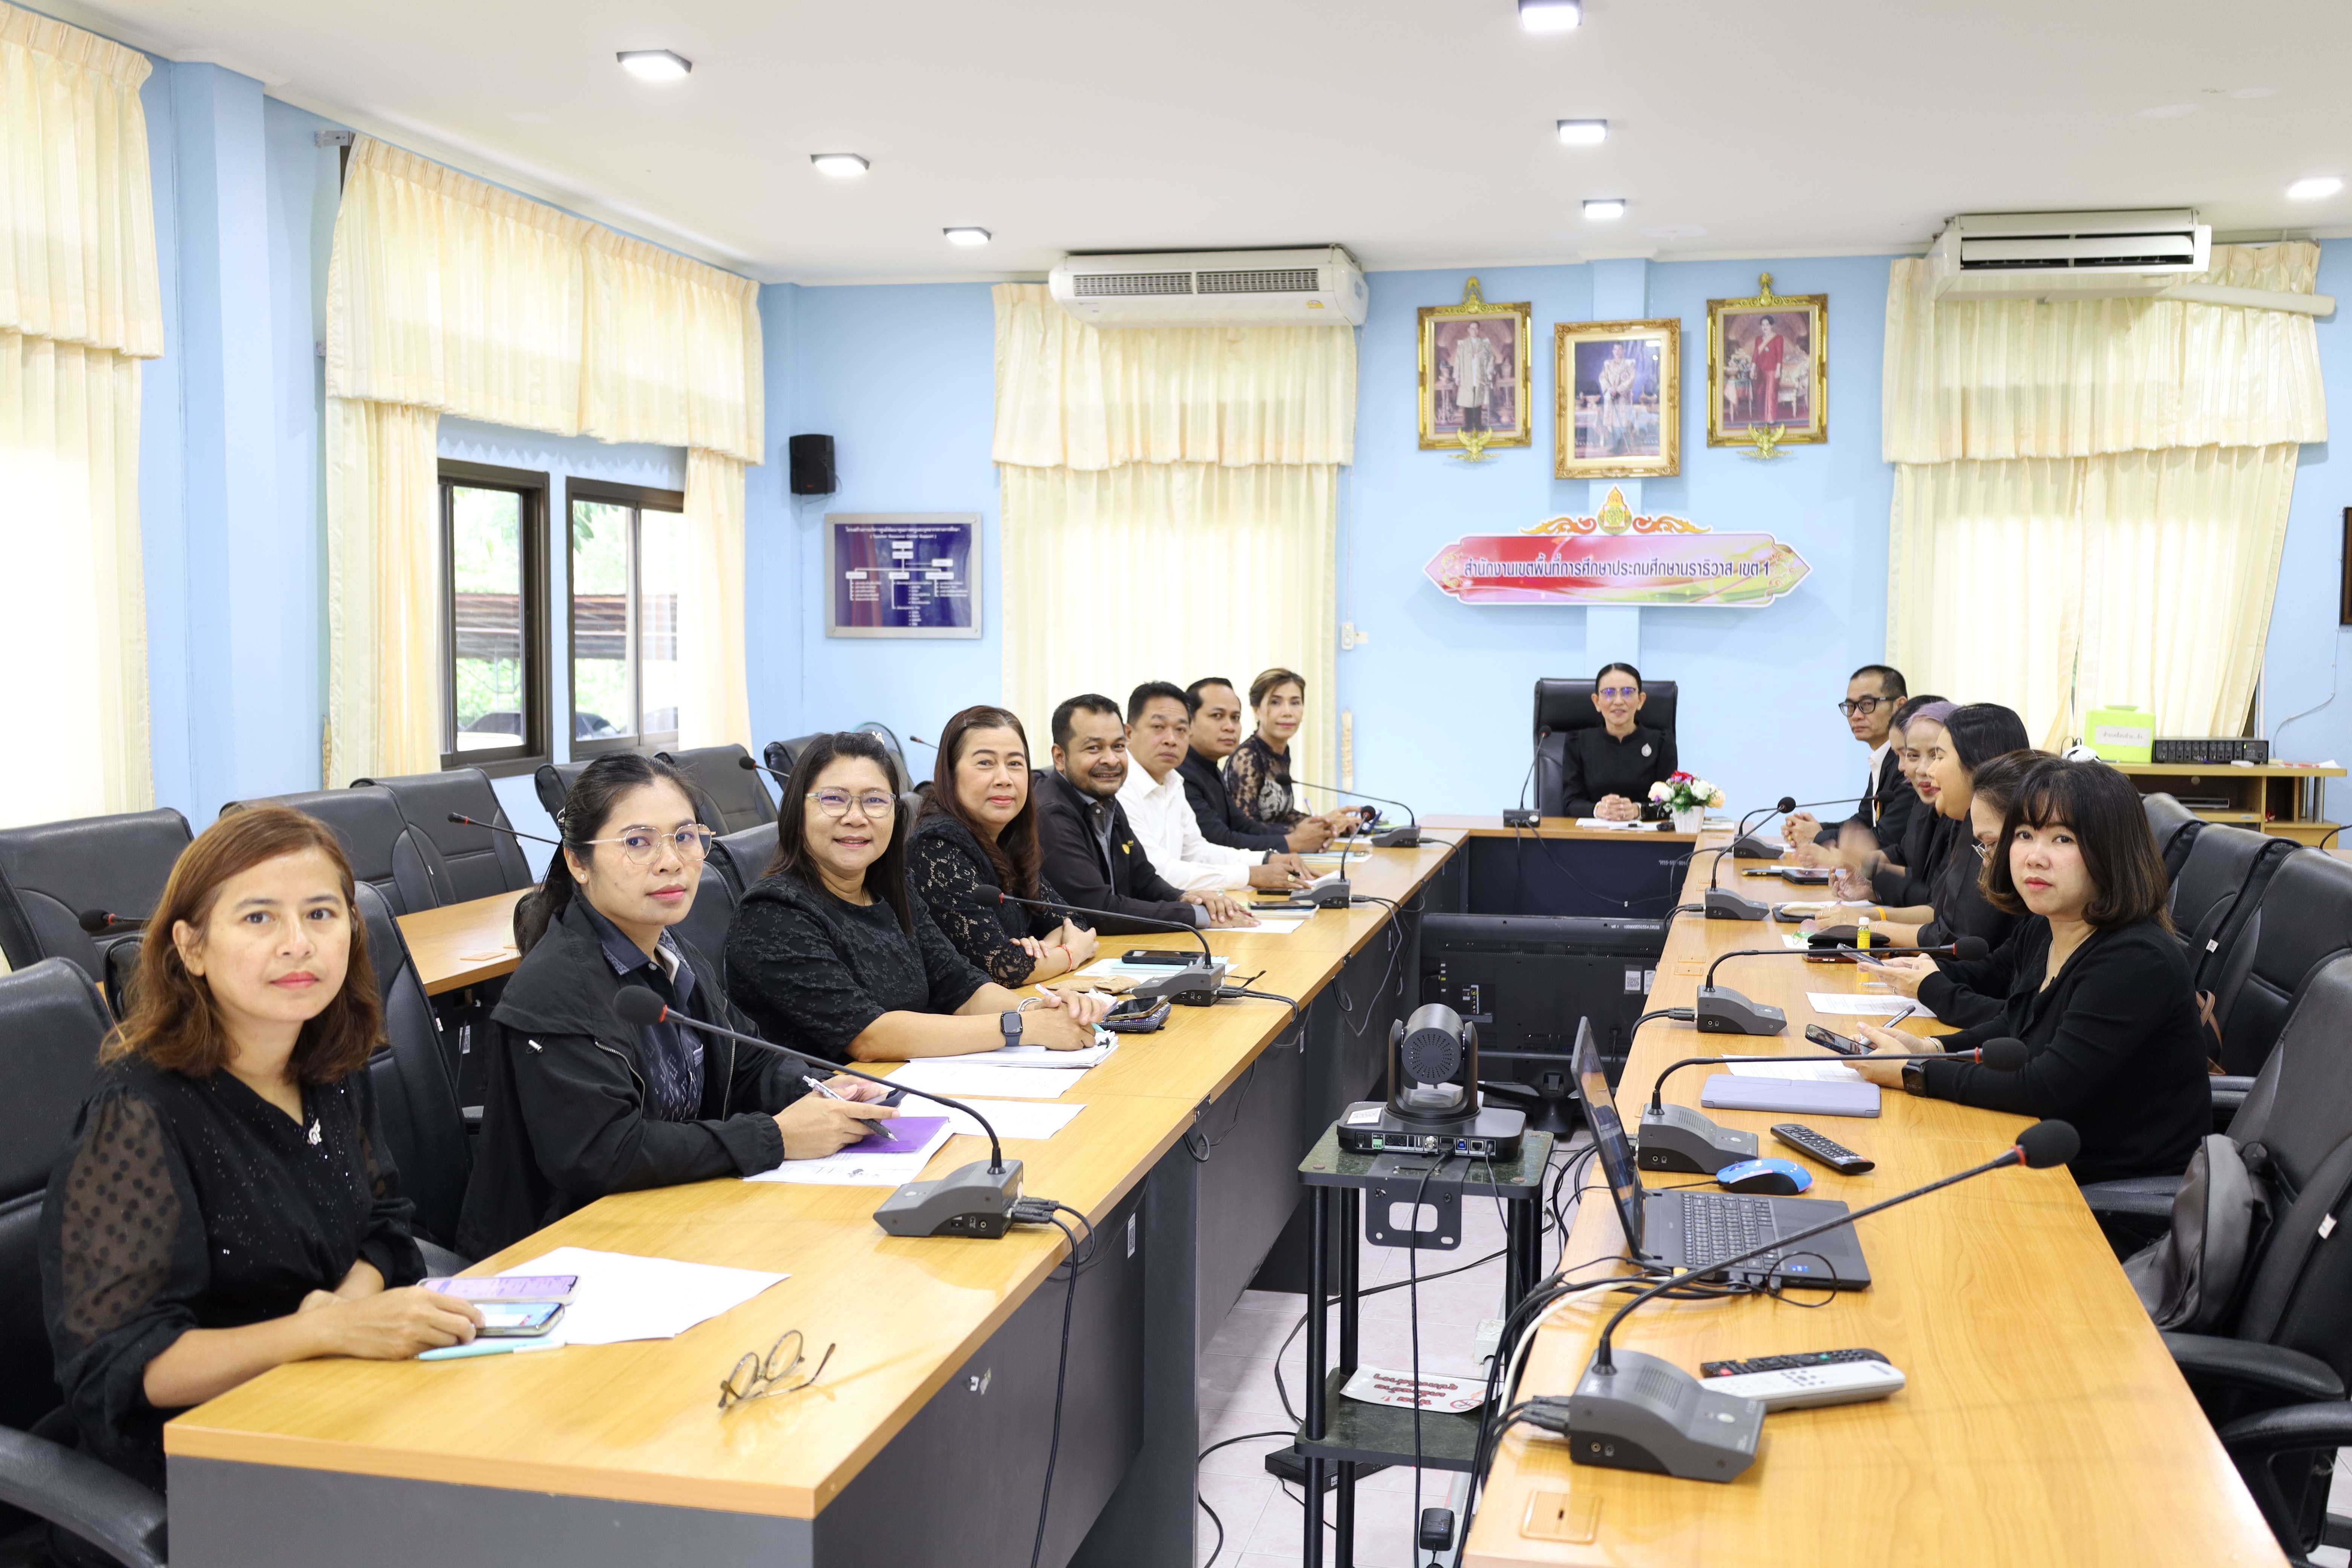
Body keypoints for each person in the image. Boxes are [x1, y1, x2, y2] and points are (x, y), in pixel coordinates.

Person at [41, 808, 483, 1494]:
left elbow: (386, 1226)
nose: (298, 944)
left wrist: (346, 1312)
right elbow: (122, 1365)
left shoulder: (330, 1063)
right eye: (258, 918)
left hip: (338, 1400)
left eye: (321, 914)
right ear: (191, 948)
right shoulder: (137, 1113)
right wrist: (326, 1333)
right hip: (205, 1461)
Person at [460, 755, 896, 1257]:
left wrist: (821, 1088)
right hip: (565, 1249)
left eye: (685, 837)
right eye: (638, 842)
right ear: (578, 862)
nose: (671, 861)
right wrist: (774, 1136)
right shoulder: (554, 989)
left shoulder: (669, 948)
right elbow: (604, 1153)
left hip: (675, 1216)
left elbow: (747, 1061)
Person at [1847, 757, 2210, 1186]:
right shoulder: (2049, 926)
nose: (2035, 857)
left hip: (2107, 1193)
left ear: (2113, 851)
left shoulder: (2135, 960)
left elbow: (2044, 1089)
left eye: (2062, 838)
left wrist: (1913, 1072)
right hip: (2043, 1159)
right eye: (2024, 835)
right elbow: (2016, 1023)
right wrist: (1931, 1048)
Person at [729, 731, 1112, 1066]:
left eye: (875, 801)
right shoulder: (774, 913)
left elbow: (960, 985)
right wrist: (1021, 1026)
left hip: (912, 1083)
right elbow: (868, 1037)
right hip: (828, 1106)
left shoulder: (892, 890)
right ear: (797, 811)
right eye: (833, 799)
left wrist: (1040, 1008)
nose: (856, 817)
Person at [1038, 694, 1263, 934]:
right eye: (1094, 748)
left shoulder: (1106, 801)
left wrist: (1186, 898)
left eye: (1118, 747)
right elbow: (1098, 910)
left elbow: (1144, 880)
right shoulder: (1052, 813)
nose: (1112, 760)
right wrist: (1197, 915)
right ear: (1060, 758)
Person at [1859, 748, 2051, 1028]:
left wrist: (1931, 988)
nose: (1928, 770)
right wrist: (1926, 971)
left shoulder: (2106, 950)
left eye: (1937, 756)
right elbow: (1998, 970)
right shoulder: (2039, 922)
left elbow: (2026, 1024)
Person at [910, 706, 1100, 988]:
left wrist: (1042, 950)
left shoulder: (1007, 839)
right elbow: (1004, 967)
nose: (1004, 779)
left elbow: (1072, 922)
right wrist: (1070, 954)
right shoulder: (937, 847)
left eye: (1015, 764)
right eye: (985, 763)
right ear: (951, 773)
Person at [1836, 701, 2031, 954]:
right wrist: (1870, 917)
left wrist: (1866, 926)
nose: (1930, 771)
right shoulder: (1965, 822)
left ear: (1979, 764)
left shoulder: (1992, 834)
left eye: (1939, 756)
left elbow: (1952, 938)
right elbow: (1939, 911)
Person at [1119, 681, 1311, 897]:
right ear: (1128, 734)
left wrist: (1266, 859)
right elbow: (1157, 871)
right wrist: (1249, 875)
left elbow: (1197, 851)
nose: (1171, 740)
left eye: (1180, 730)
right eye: (1158, 727)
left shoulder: (1173, 781)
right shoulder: (1120, 787)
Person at [1181, 676, 1330, 853]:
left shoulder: (1210, 768)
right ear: (1188, 721)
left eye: (1235, 718)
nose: (1230, 727)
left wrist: (1309, 834)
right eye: (1217, 716)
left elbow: (1244, 826)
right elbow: (1219, 840)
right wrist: (1292, 843)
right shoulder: (1182, 773)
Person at [1785, 665, 1916, 862]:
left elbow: (1883, 839)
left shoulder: (1906, 766)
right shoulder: (1883, 759)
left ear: (1899, 706)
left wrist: (1818, 836)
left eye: (1867, 704)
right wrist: (1817, 829)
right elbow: (1863, 822)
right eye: (1850, 707)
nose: (1856, 715)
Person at [1224, 668, 1357, 836]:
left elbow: (1282, 814)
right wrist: (1313, 829)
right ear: (1257, 710)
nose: (1288, 712)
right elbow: (1246, 828)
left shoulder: (1280, 752)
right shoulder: (1247, 758)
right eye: (1276, 702)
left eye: (1295, 703)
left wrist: (1327, 823)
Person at [1557, 662, 1677, 821]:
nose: (1619, 701)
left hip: (1646, 834)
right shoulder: (1578, 743)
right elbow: (1571, 802)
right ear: (1597, 702)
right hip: (1592, 833)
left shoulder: (1661, 743)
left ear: (1641, 700)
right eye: (1609, 692)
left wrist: (1638, 810)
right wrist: (1598, 810)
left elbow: (1672, 804)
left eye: (1628, 692)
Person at [1453, 321, 1500, 436]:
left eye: (1477, 329)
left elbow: (1492, 358)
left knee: (1479, 400)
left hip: (1480, 376)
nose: (1474, 331)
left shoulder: (1485, 344)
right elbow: (1458, 361)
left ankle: (1478, 424)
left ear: (1479, 330)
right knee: (1468, 400)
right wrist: (1457, 376)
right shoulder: (1463, 345)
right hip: (1467, 376)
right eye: (1472, 329)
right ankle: (1469, 424)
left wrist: (1489, 371)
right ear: (1469, 330)